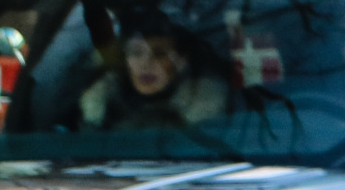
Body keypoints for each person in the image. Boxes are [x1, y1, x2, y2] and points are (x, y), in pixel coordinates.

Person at [77, 25, 230, 133]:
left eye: (159, 54)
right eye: (136, 53)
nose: (146, 64)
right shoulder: (103, 99)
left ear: (181, 62)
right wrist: (93, 114)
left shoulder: (204, 104)